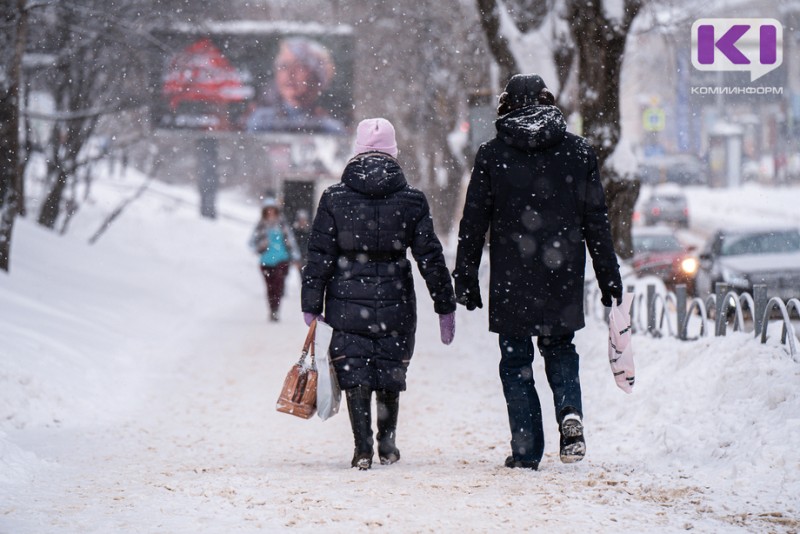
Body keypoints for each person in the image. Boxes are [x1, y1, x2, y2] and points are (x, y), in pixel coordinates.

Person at [453, 74, 623, 470]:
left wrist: (465, 275)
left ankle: (527, 450)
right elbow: (596, 221)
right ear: (548, 102)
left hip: (512, 276)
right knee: (560, 348)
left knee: (516, 361)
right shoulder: (579, 153)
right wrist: (608, 276)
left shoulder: (492, 154)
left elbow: (473, 222)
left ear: (506, 106)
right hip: (561, 273)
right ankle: (569, 411)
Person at [301, 118, 456, 470]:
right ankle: (387, 444)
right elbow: (429, 256)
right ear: (393, 153)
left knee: (354, 369)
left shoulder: (333, 198)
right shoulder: (412, 200)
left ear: (357, 150)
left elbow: (319, 256)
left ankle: (362, 448)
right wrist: (444, 305)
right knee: (389, 367)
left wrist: (311, 305)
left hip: (345, 297)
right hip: (396, 298)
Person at [246, 37, 345, 134]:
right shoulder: (261, 121)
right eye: (283, 66)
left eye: (300, 66)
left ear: (317, 76)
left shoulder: (330, 128)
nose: (289, 74)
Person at [249, 198, 301, 322]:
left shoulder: (282, 224)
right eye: (268, 211)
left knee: (278, 285)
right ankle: (272, 309)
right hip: (266, 261)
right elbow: (251, 243)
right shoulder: (261, 226)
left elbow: (290, 242)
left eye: (273, 210)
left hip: (282, 260)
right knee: (270, 287)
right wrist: (261, 245)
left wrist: (296, 257)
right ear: (265, 212)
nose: (270, 213)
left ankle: (276, 309)